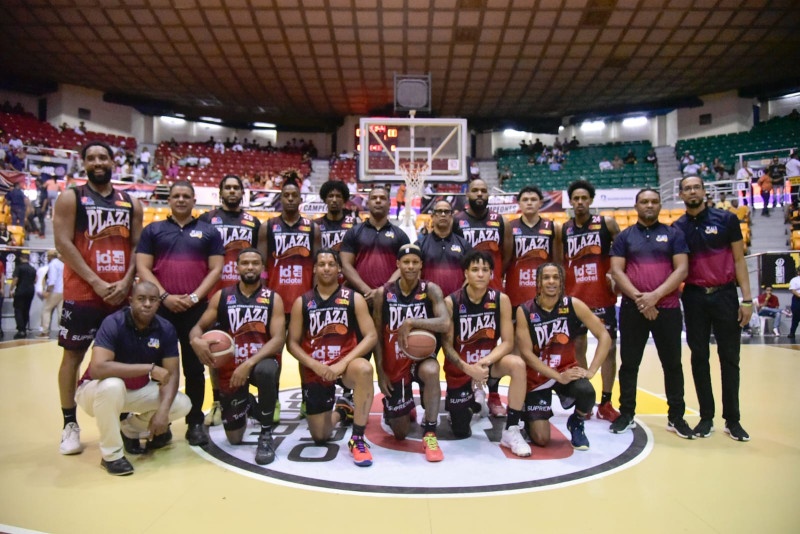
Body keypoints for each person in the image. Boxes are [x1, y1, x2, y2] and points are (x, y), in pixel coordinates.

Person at [54, 140, 142, 455]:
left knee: (121, 359)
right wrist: (95, 280)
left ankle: (122, 419)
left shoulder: (130, 203)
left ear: (112, 161)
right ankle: (69, 424)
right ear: (84, 164)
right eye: (91, 158)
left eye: (103, 157)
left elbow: (136, 247)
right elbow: (63, 243)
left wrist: (126, 280)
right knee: (73, 357)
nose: (97, 162)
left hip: (119, 293)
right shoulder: (71, 198)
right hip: (83, 293)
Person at [135, 180, 224, 447]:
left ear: (194, 200)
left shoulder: (209, 232)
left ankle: (195, 422)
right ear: (169, 200)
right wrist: (164, 297)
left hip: (195, 310)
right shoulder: (153, 230)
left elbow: (216, 269)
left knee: (195, 369)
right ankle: (160, 425)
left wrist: (194, 297)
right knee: (160, 369)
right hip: (161, 310)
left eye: (186, 196)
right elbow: (143, 267)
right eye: (176, 196)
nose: (181, 200)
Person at [74, 281, 191, 476]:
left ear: (158, 304)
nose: (147, 304)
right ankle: (112, 455)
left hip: (134, 391)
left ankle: (130, 429)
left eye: (153, 300)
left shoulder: (165, 328)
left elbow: (171, 375)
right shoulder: (113, 322)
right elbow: (98, 369)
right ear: (131, 301)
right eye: (141, 299)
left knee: (181, 404)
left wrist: (162, 413)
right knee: (113, 385)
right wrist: (149, 368)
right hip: (94, 391)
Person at [608, 189, 694, 438]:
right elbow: (617, 271)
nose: (649, 205)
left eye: (654, 202)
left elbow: (682, 270)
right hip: (632, 309)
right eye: (644, 201)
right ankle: (626, 414)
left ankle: (676, 417)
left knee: (672, 365)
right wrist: (641, 300)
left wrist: (654, 297)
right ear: (636, 205)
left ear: (660, 206)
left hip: (666, 309)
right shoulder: (624, 237)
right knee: (629, 364)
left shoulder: (674, 234)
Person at [673, 176, 753, 441]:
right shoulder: (677, 228)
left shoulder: (727, 220)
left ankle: (733, 419)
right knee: (699, 358)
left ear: (704, 192)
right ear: (681, 195)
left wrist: (748, 300)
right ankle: (706, 417)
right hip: (694, 297)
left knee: (730, 358)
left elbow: (740, 260)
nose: (693, 191)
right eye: (687, 188)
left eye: (697, 187)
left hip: (725, 295)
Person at [189, 249, 285, 465]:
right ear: (237, 267)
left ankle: (266, 434)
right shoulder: (222, 296)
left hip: (259, 362)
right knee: (234, 438)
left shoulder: (272, 298)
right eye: (245, 263)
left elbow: (278, 340)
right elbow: (198, 327)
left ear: (262, 268)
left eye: (255, 263)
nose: (250, 267)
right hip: (231, 368)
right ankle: (249, 404)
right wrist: (196, 340)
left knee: (267, 370)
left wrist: (249, 363)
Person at [286, 249, 379, 467]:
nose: (327, 268)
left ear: (339, 269)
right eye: (322, 264)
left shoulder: (353, 299)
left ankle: (357, 439)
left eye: (331, 264)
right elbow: (292, 343)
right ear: (315, 269)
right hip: (315, 368)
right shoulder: (303, 302)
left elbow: (371, 335)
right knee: (320, 436)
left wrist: (342, 363)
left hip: (345, 366)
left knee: (364, 369)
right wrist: (314, 365)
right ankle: (342, 410)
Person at [441, 250, 532, 457]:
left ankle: (512, 429)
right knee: (460, 429)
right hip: (461, 367)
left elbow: (508, 342)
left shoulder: (501, 300)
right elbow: (447, 347)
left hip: (487, 364)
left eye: (485, 270)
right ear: (465, 273)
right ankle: (476, 404)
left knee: (517, 364)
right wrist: (468, 369)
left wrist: (484, 362)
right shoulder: (451, 302)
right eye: (475, 270)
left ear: (492, 273)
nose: (480, 274)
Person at [515, 263, 611, 450]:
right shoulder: (525, 311)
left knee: (587, 392)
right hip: (537, 377)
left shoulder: (573, 305)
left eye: (556, 277)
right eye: (546, 277)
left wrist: (591, 371)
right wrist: (557, 376)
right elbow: (526, 354)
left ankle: (576, 421)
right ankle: (527, 416)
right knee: (541, 439)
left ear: (561, 282)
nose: (551, 282)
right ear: (538, 283)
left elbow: (604, 336)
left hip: (566, 371)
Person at [198, 175, 265, 426]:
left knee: (250, 346)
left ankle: (248, 398)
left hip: (247, 294)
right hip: (216, 293)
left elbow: (260, 258)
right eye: (228, 187)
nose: (233, 191)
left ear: (242, 193)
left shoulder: (253, 222)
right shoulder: (207, 220)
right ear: (220, 192)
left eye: (237, 187)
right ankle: (216, 401)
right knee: (217, 348)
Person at [372, 245, 450, 461]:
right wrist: (380, 371)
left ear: (421, 265)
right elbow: (377, 335)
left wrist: (412, 321)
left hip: (420, 357)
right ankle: (405, 409)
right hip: (394, 362)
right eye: (406, 262)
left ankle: (430, 432)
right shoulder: (383, 294)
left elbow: (444, 322)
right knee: (399, 433)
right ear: (397, 265)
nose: (411, 266)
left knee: (432, 370)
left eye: (415, 262)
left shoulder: (430, 289)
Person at [561, 180, 621, 421]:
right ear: (571, 201)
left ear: (591, 200)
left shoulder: (606, 223)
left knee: (609, 349)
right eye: (575, 198)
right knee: (577, 349)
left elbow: (622, 249)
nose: (580, 202)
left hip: (601, 297)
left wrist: (614, 273)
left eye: (584, 198)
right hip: (575, 299)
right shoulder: (564, 229)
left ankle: (606, 402)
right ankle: (584, 398)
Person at [452, 178, 508, 416]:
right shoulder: (457, 220)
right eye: (475, 190)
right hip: (465, 291)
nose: (479, 193)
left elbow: (505, 253)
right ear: (467, 194)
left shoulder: (498, 220)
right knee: (464, 340)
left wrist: (496, 280)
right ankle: (466, 385)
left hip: (492, 291)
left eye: (483, 190)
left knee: (491, 341)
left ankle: (493, 393)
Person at [340, 186, 410, 307]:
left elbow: (404, 267)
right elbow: (346, 266)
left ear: (389, 204)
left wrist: (383, 291)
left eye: (382, 198)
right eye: (374, 198)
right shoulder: (354, 232)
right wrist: (367, 291)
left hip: (391, 299)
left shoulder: (400, 235)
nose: (378, 201)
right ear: (368, 203)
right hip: (359, 298)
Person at [264, 180, 318, 316]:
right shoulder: (267, 227)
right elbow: (261, 266)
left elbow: (318, 268)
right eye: (286, 195)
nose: (290, 199)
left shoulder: (313, 228)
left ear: (300, 199)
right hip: (273, 299)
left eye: (294, 195)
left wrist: (316, 297)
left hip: (305, 300)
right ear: (280, 198)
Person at [505, 186, 561, 307]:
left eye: (533, 199)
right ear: (519, 203)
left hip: (543, 290)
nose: (529, 203)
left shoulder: (553, 227)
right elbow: (505, 261)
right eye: (525, 200)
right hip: (516, 291)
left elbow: (558, 263)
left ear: (540, 203)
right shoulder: (509, 227)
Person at [415, 200, 472, 297]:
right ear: (432, 216)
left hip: (457, 304)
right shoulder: (419, 245)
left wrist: (460, 296)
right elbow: (415, 274)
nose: (443, 214)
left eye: (446, 212)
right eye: (439, 211)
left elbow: (471, 273)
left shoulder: (464, 244)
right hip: (428, 303)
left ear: (451, 216)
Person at [11, 251, 36, 339]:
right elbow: (35, 280)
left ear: (21, 258)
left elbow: (15, 279)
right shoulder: (33, 269)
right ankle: (24, 329)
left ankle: (21, 330)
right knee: (26, 309)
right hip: (30, 291)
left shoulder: (19, 268)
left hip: (20, 290)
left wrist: (11, 290)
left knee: (18, 310)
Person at [39, 250, 64, 337]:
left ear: (50, 256)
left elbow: (52, 280)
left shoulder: (52, 264)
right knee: (61, 312)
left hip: (55, 291)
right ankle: (62, 332)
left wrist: (47, 291)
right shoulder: (62, 264)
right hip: (63, 291)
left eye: (48, 256)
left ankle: (45, 331)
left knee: (46, 310)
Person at [788, 274, 800, 339]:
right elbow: (793, 290)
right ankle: (792, 333)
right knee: (796, 317)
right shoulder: (794, 279)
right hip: (797, 299)